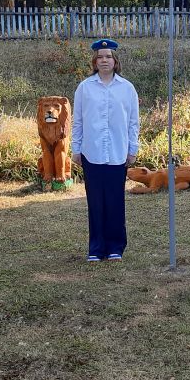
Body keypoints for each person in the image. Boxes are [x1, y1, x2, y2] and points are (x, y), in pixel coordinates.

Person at [70, 39, 139, 263]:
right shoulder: (85, 88)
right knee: (96, 202)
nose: (104, 60)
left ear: (115, 60)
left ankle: (115, 247)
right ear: (95, 61)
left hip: (118, 154)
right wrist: (76, 148)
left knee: (115, 202)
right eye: (100, 57)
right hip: (93, 153)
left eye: (108, 56)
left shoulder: (127, 88)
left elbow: (133, 122)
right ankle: (96, 248)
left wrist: (132, 149)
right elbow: (78, 121)